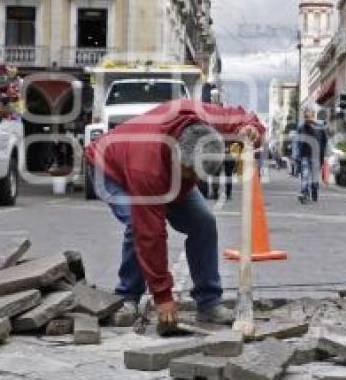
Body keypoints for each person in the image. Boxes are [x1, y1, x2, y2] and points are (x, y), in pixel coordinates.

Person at [85, 100, 264, 326]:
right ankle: (127, 298)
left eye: (197, 178)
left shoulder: (206, 119)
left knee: (204, 224)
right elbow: (150, 234)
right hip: (109, 168)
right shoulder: (147, 167)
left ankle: (209, 302)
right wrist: (162, 295)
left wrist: (252, 129)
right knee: (136, 224)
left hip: (159, 172)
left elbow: (241, 116)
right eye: (189, 173)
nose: (193, 180)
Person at [295, 107, 329, 203]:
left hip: (316, 156)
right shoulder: (301, 126)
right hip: (305, 155)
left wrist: (326, 155)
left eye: (310, 115)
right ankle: (304, 194)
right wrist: (296, 155)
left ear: (314, 115)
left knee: (314, 178)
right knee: (305, 175)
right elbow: (297, 141)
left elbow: (325, 141)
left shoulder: (320, 126)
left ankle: (314, 191)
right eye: (306, 116)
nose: (308, 118)